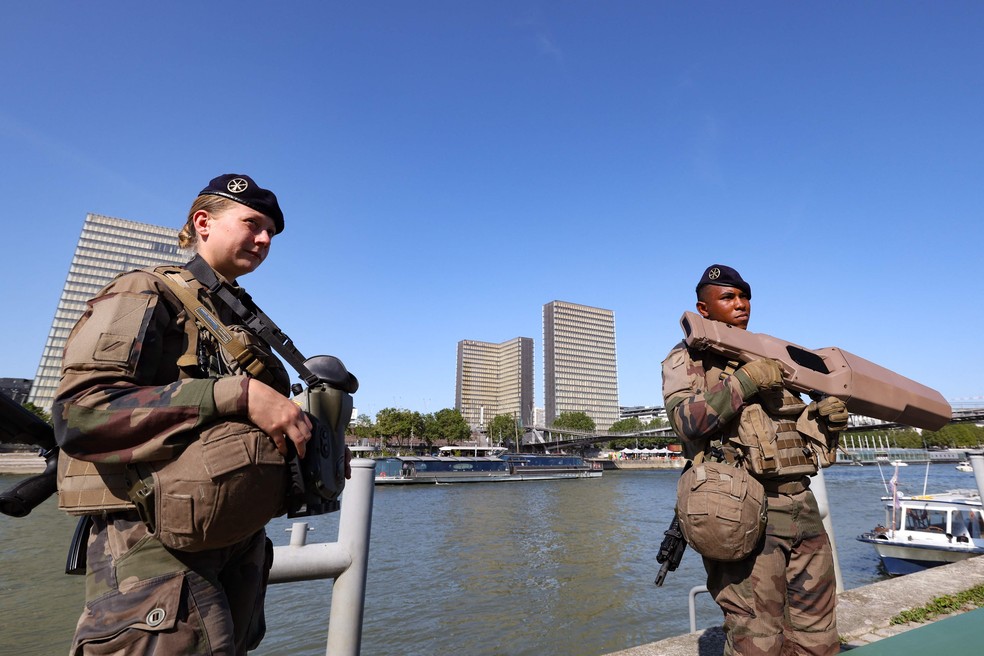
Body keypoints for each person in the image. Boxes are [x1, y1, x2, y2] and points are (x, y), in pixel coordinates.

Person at [53, 174, 331, 655]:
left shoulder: (231, 316)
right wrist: (235, 393)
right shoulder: (144, 290)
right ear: (203, 222)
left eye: (271, 232)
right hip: (153, 542)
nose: (265, 240)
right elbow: (80, 412)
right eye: (252, 224)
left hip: (232, 539)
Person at [661, 264, 849, 656]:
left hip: (801, 503)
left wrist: (825, 420)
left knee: (818, 632)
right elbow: (686, 423)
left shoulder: (775, 357)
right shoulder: (688, 359)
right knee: (758, 639)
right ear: (704, 308)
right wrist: (744, 382)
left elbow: (796, 435)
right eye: (728, 297)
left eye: (744, 296)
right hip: (743, 509)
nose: (741, 304)